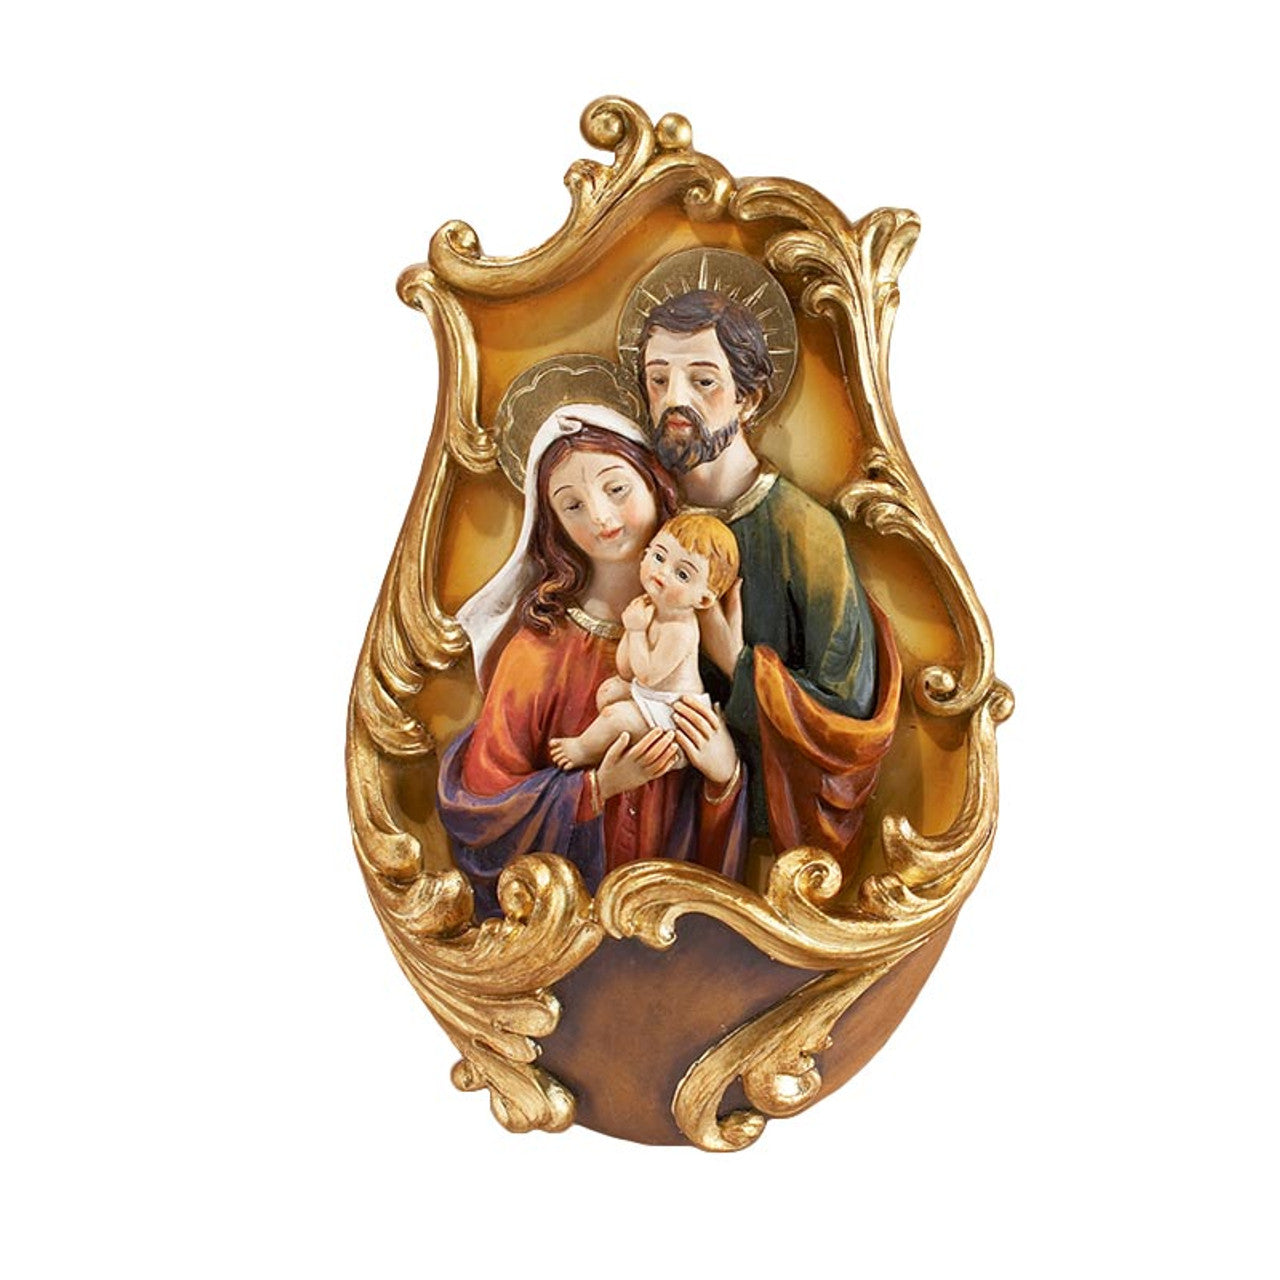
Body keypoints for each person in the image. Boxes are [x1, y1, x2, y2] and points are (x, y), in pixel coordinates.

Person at [436, 403, 747, 919]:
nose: (601, 517)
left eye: (616, 488)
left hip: (674, 920)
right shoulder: (538, 654)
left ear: (653, 482)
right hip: (573, 920)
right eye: (572, 505)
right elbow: (482, 810)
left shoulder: (697, 631)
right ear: (553, 525)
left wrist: (724, 777)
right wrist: (597, 788)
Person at [637, 288, 901, 866]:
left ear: (748, 398)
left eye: (702, 381)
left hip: (765, 841)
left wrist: (739, 666)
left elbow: (849, 714)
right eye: (658, 380)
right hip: (653, 823)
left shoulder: (804, 531)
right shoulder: (643, 518)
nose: (674, 399)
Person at [548, 512, 739, 771]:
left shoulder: (679, 629)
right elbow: (626, 670)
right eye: (659, 557)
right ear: (645, 554)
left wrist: (636, 630)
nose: (663, 572)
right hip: (652, 697)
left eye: (682, 575)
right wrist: (633, 629)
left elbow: (648, 676)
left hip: (675, 715)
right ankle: (624, 741)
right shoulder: (649, 607)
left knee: (615, 717)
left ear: (703, 599)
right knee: (608, 691)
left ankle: (581, 749)